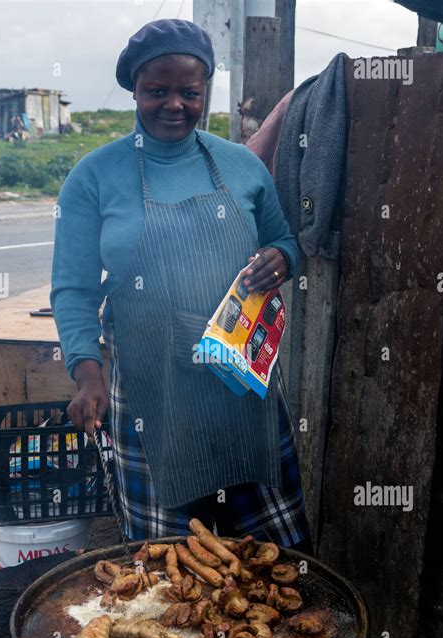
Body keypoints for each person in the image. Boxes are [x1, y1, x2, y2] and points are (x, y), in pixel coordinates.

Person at [51, 18, 312, 553]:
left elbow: (285, 240)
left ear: (205, 91)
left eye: (189, 92)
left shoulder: (241, 166)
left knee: (274, 563)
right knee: (169, 578)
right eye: (157, 91)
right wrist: (86, 372)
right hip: (152, 401)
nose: (174, 105)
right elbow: (73, 289)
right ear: (134, 91)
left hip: (241, 393)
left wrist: (281, 259)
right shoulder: (95, 175)